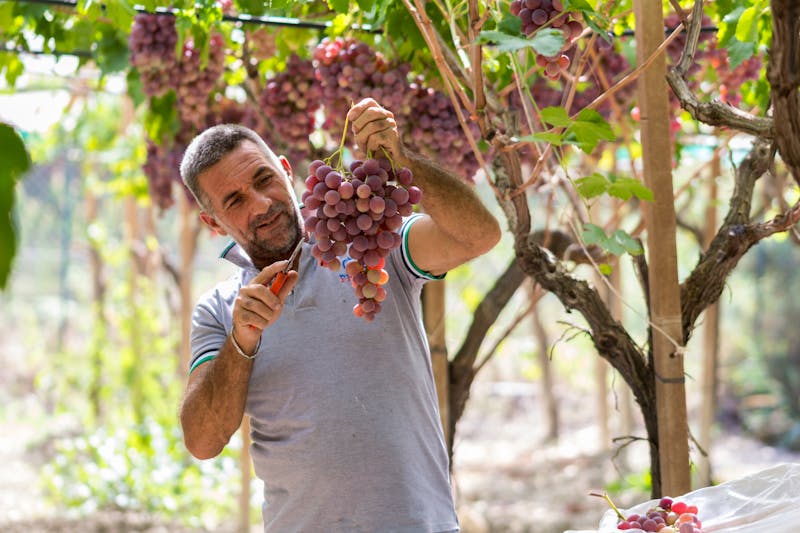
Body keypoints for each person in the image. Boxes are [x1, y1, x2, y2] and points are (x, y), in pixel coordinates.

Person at [178, 97, 501, 532]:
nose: (260, 205)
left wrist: (402, 161)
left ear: (287, 171)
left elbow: (481, 235)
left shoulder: (373, 247)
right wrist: (242, 340)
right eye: (234, 200)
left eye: (264, 179)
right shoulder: (220, 311)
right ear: (212, 223)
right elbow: (202, 441)